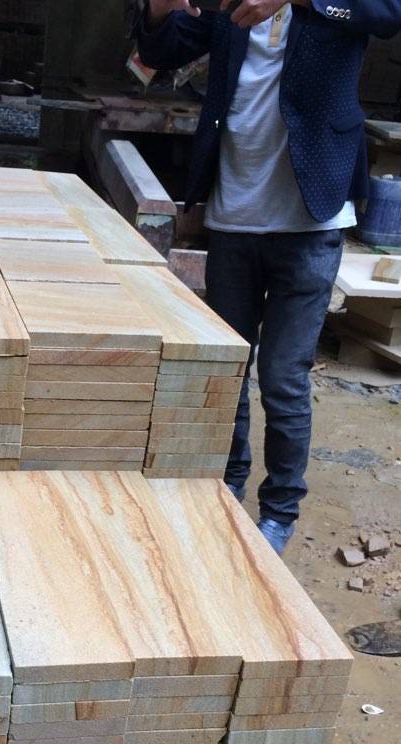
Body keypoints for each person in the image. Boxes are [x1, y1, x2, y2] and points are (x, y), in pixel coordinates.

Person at [136, 0, 400, 555]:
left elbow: (386, 14)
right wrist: (158, 11)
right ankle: (228, 484)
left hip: (311, 221)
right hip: (234, 214)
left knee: (282, 377)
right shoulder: (232, 5)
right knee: (231, 367)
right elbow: (162, 50)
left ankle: (279, 510)